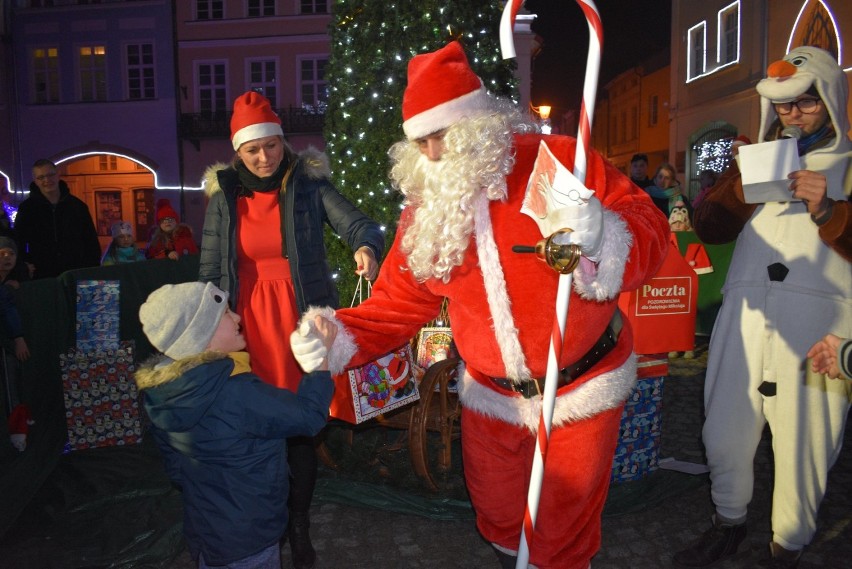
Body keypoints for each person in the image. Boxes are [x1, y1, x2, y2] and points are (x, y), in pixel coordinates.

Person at [290, 41, 669, 569]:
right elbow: (400, 302)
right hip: (492, 399)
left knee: (563, 530)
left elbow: (650, 228)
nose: (432, 154)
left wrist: (606, 236)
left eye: (441, 135)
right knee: (496, 514)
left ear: (478, 123)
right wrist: (337, 334)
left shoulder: (555, 160)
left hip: (580, 386)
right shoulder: (427, 214)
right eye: (420, 141)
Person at [673, 46, 851, 569]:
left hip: (819, 320)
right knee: (724, 427)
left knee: (807, 437)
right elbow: (710, 227)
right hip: (746, 313)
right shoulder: (761, 159)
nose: (792, 115)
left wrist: (829, 211)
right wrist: (737, 183)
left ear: (830, 101)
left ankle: (787, 545)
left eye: (805, 104)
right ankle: (728, 522)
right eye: (785, 106)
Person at [198, 90, 384, 569]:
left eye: (272, 146)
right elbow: (210, 267)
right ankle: (269, 519)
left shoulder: (308, 184)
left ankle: (298, 525)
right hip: (245, 326)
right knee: (256, 426)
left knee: (301, 427)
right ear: (238, 151)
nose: (264, 158)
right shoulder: (223, 196)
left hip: (298, 322)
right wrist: (207, 321)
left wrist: (364, 246)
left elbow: (358, 223)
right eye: (252, 150)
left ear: (284, 143)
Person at [136, 281, 336, 569]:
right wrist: (320, 364)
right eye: (226, 313)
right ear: (201, 336)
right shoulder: (236, 392)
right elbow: (308, 417)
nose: (237, 318)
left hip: (208, 532)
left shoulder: (165, 392)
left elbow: (177, 469)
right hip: (251, 534)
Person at [14, 159, 101, 279]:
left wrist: (91, 269)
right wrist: (25, 266)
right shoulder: (27, 209)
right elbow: (19, 241)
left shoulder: (77, 206)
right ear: (35, 180)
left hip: (76, 272)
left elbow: (91, 241)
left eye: (50, 175)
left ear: (58, 174)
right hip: (42, 275)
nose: (47, 180)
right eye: (41, 177)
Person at [644, 162, 694, 228]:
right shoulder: (646, 196)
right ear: (655, 178)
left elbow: (692, 218)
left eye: (667, 178)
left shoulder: (680, 199)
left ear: (672, 181)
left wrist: (683, 208)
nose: (662, 181)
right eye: (660, 176)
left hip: (672, 235)